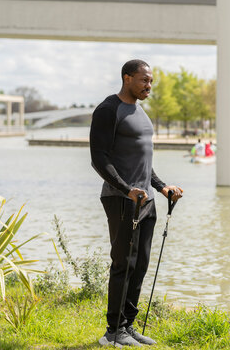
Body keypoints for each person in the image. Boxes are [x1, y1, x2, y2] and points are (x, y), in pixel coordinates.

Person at [90, 59, 183, 347]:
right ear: (127, 78)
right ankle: (112, 332)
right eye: (144, 80)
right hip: (121, 200)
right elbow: (99, 159)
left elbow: (144, 163)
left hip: (147, 201)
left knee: (140, 265)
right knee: (123, 265)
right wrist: (126, 189)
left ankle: (127, 327)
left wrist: (162, 187)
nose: (149, 86)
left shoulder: (140, 112)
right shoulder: (108, 110)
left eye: (151, 81)